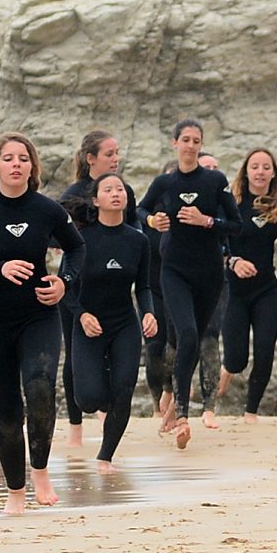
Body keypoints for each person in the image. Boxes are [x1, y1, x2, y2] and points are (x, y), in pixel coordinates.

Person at [0, 132, 85, 513]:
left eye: (23, 158)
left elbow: (77, 248)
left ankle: (41, 470)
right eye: (9, 158)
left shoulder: (46, 209)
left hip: (39, 314)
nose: (17, 164)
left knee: (41, 388)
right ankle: (16, 492)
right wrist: (0, 269)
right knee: (8, 412)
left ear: (32, 167)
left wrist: (64, 282)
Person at [140, 122, 240, 445]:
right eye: (185, 140)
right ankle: (182, 415)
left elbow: (236, 226)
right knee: (186, 334)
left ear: (201, 145)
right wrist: (155, 220)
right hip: (174, 271)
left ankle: (175, 409)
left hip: (210, 273)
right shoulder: (164, 183)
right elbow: (139, 210)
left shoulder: (215, 181)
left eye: (197, 141)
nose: (191, 145)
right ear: (175, 143)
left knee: (193, 342)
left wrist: (207, 221)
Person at [66, 172, 157, 469]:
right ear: (96, 200)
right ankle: (102, 391)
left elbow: (143, 286)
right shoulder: (81, 240)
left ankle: (105, 456)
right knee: (88, 399)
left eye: (120, 189)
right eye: (108, 189)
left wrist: (149, 312)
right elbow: (64, 287)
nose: (116, 193)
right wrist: (82, 314)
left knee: (124, 389)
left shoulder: (138, 240)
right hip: (89, 322)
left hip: (123, 324)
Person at [218, 148, 277, 420]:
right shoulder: (232, 203)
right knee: (237, 358)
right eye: (255, 167)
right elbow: (219, 244)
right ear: (246, 171)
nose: (261, 172)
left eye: (266, 167)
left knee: (265, 352)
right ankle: (227, 368)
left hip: (266, 289)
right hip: (234, 291)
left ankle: (250, 412)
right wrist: (234, 261)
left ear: (273, 173)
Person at [57, 130, 120, 447]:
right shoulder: (73, 194)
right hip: (74, 283)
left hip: (111, 282)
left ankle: (108, 415)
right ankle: (75, 429)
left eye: (117, 153)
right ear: (90, 158)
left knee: (111, 349)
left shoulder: (121, 191)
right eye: (109, 153)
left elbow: (131, 231)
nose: (115, 159)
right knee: (73, 355)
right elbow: (53, 236)